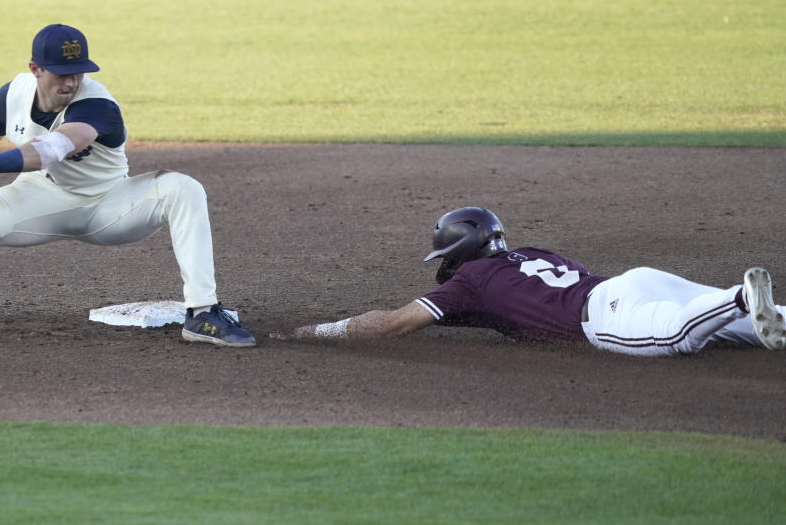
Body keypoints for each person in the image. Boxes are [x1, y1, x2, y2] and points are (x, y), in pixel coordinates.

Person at [0, 23, 255, 347]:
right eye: (60, 72)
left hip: (110, 206)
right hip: (41, 196)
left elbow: (53, 146)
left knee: (183, 187)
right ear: (36, 69)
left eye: (78, 72)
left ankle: (204, 314)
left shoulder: (97, 105)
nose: (71, 81)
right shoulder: (14, 93)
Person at [277, 206, 786, 357]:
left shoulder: (470, 280)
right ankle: (750, 305)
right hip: (635, 280)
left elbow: (391, 324)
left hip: (604, 315)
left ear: (457, 252)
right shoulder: (531, 254)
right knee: (753, 329)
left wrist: (314, 332)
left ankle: (742, 295)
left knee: (673, 335)